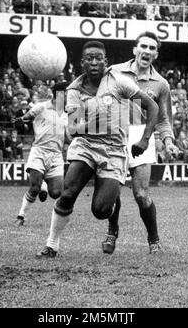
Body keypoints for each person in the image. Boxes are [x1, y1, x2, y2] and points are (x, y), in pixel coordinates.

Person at [38, 40, 159, 258]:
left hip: (114, 150)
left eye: (98, 58)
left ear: (106, 61)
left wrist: (145, 139)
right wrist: (101, 124)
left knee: (100, 211)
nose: (94, 62)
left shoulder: (119, 82)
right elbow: (74, 131)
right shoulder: (73, 90)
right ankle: (51, 245)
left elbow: (152, 106)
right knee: (67, 194)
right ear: (82, 62)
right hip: (86, 146)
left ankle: (109, 202)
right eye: (89, 58)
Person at [103, 31, 179, 255]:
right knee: (112, 191)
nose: (146, 51)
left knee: (141, 194)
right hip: (115, 135)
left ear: (156, 54)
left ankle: (153, 239)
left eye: (152, 48)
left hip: (142, 137)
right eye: (143, 46)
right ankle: (112, 230)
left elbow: (164, 120)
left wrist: (168, 142)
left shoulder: (161, 84)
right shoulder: (114, 71)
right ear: (134, 49)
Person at [15, 82, 70, 226]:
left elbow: (68, 137)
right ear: (58, 94)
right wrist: (23, 118)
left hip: (56, 155)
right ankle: (21, 216)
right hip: (39, 151)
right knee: (34, 187)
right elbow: (26, 117)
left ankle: (44, 183)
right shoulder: (41, 107)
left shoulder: (67, 113)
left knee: (56, 193)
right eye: (67, 94)